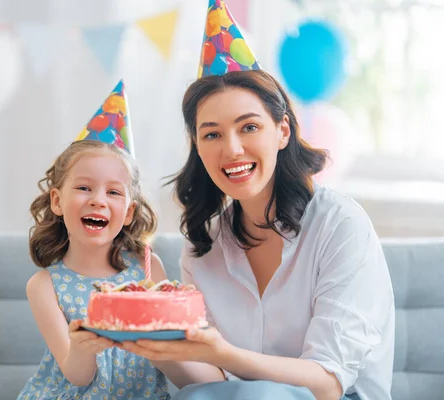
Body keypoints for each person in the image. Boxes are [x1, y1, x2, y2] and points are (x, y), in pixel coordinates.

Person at [119, 2, 395, 399]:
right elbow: (211, 382)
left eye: (248, 127)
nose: (232, 149)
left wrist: (226, 355)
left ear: (282, 131)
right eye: (211, 134)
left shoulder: (339, 224)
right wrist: (154, 344)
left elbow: (328, 382)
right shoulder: (203, 245)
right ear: (197, 145)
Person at [16, 81, 172, 400]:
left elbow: (172, 348)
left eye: (113, 192)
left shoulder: (147, 267)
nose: (98, 200)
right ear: (57, 201)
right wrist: (85, 343)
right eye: (85, 188)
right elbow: (77, 375)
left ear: (128, 212)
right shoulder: (44, 286)